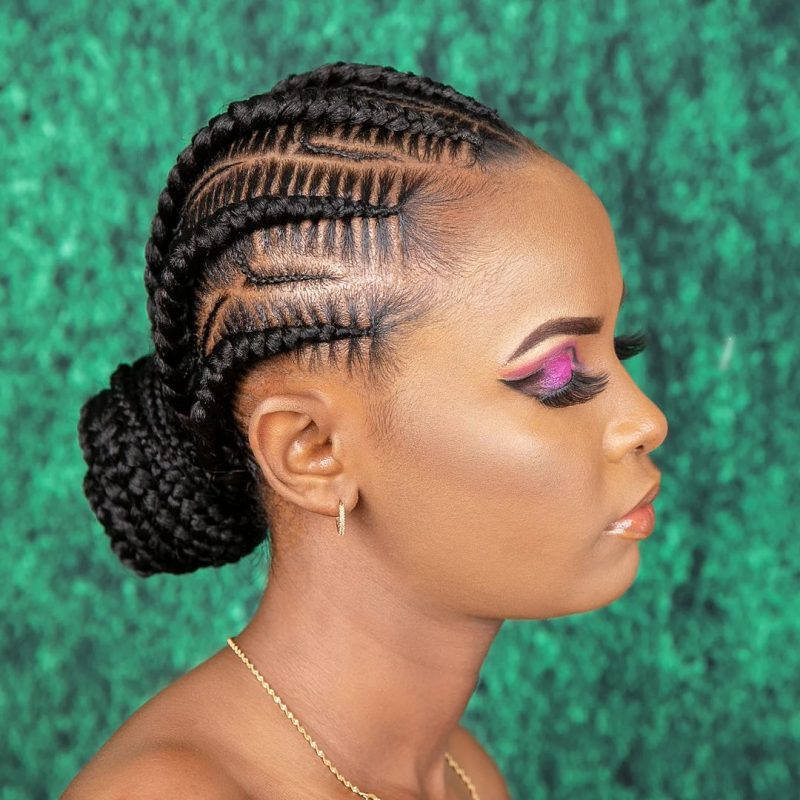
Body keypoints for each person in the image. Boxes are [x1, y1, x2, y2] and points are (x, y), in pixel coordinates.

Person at [63, 61, 668, 800]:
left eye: (619, 348)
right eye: (556, 375)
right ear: (312, 450)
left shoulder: (463, 777)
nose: (648, 421)